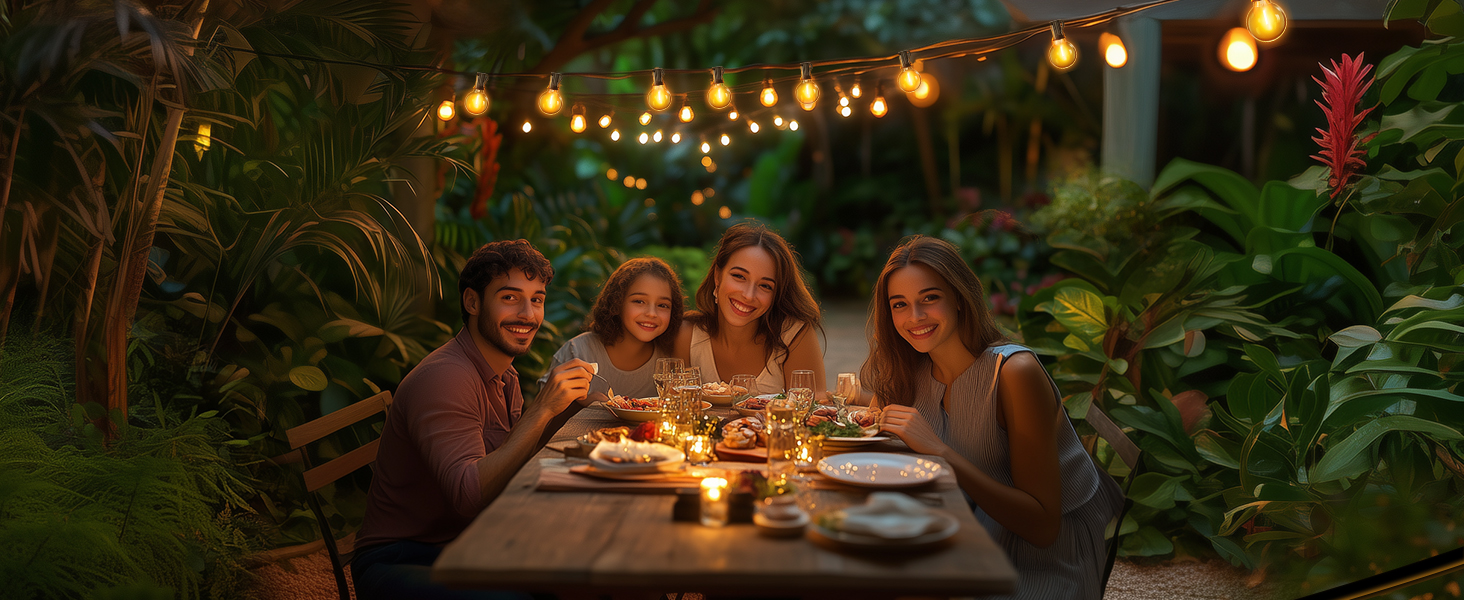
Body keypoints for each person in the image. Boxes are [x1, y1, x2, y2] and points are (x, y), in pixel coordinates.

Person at [862, 235, 1123, 600]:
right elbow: (877, 420)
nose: (915, 317)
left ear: (959, 297)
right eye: (899, 305)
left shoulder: (1014, 373)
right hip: (973, 527)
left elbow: (1042, 527)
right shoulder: (914, 369)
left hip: (1045, 559)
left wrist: (941, 453)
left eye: (930, 298)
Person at [353, 239, 594, 600]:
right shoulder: (446, 378)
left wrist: (570, 410)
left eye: (537, 299)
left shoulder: (505, 375)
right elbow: (469, 496)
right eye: (510, 297)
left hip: (471, 539)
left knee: (593, 571)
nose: (528, 314)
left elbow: (513, 462)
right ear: (472, 302)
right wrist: (542, 409)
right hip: (403, 557)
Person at [674, 221, 825, 394]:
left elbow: (814, 405)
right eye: (739, 276)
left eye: (765, 286)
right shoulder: (687, 337)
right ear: (717, 276)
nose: (748, 295)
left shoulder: (794, 336)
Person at [540, 257, 684, 400]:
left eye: (663, 305)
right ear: (617, 303)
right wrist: (585, 402)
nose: (652, 313)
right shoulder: (578, 352)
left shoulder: (670, 360)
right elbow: (544, 411)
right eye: (639, 301)